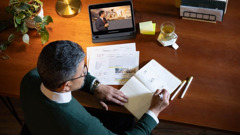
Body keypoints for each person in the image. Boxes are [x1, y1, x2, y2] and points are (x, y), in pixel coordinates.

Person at [20, 40, 170, 135]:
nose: (87, 72)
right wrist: (154, 111)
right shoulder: (82, 125)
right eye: (83, 72)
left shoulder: (30, 77)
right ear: (66, 86)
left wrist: (95, 86)